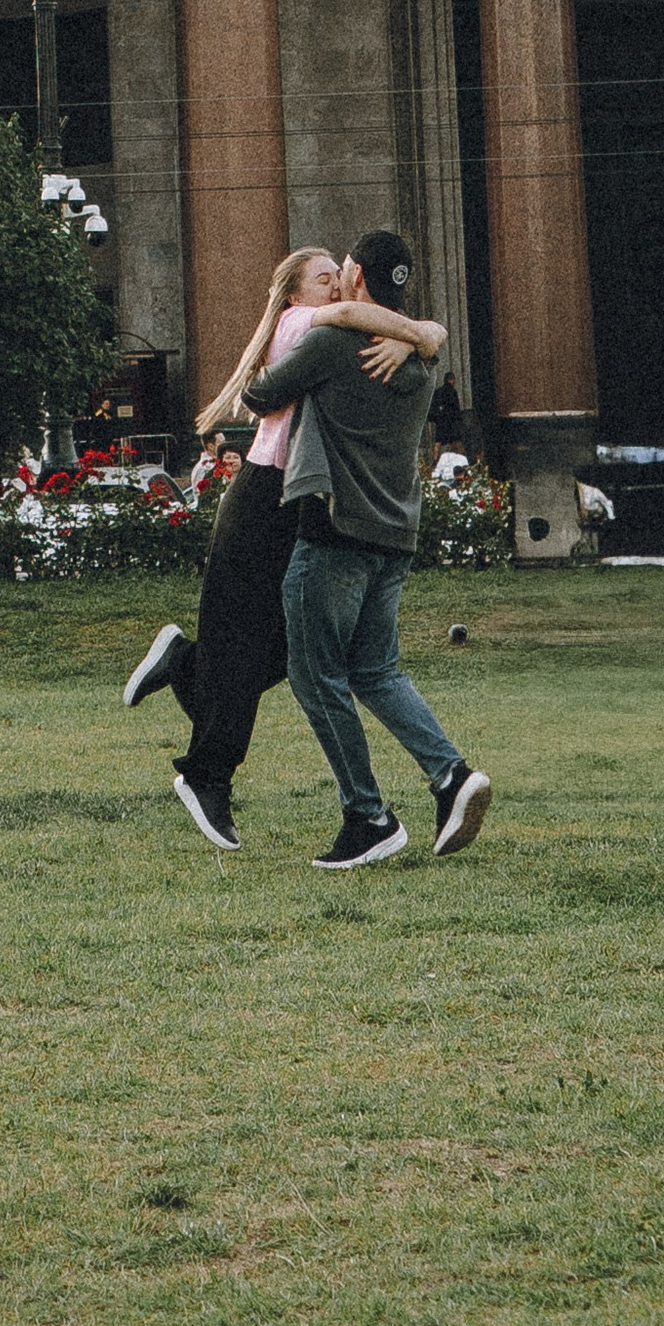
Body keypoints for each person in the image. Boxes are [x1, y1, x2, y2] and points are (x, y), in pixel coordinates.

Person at [123, 247, 435, 853]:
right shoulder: (299, 324)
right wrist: (421, 334)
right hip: (261, 494)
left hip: (290, 498)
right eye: (323, 279)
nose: (336, 287)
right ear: (293, 294)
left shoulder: (334, 332)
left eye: (339, 277)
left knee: (287, 649)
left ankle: (185, 664)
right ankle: (206, 774)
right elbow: (353, 316)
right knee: (243, 649)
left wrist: (416, 339)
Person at [245, 228, 491, 869]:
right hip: (396, 535)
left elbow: (258, 394)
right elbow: (428, 335)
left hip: (334, 530)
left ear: (355, 274)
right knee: (377, 670)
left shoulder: (332, 343)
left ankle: (368, 817)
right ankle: (452, 776)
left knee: (315, 676)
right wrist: (419, 332)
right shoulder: (422, 357)